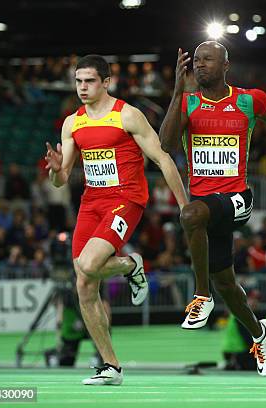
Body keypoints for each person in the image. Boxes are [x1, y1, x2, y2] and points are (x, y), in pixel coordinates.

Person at [159, 41, 266, 376]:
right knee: (228, 286)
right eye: (197, 61)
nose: (200, 65)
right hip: (208, 207)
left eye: (208, 60)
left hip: (237, 201)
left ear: (225, 65)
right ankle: (259, 334)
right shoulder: (188, 103)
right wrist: (177, 93)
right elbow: (166, 145)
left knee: (189, 214)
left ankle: (201, 297)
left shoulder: (249, 100)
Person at [45, 55, 188, 385]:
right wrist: (55, 170)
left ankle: (131, 264)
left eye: (90, 81)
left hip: (126, 200)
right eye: (78, 81)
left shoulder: (127, 115)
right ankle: (111, 366)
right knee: (83, 281)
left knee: (90, 264)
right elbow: (62, 179)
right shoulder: (72, 123)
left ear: (106, 82)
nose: (83, 87)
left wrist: (184, 206)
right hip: (90, 204)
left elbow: (163, 160)